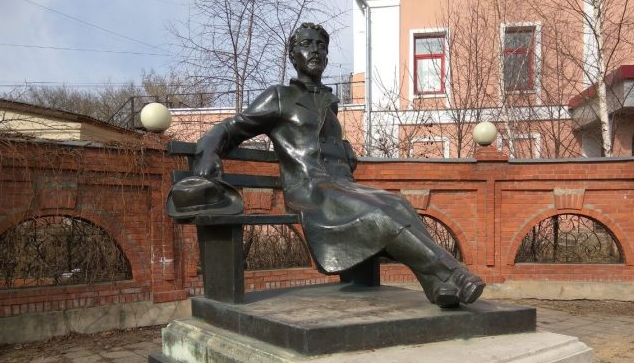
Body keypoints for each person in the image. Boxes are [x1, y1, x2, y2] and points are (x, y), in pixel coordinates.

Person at [193, 22, 484, 308]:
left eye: (321, 46)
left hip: (341, 186)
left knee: (397, 203)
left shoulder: (329, 103)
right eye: (306, 44)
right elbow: (231, 128)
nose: (315, 50)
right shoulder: (280, 97)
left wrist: (343, 147)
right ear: (292, 55)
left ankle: (435, 283)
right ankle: (452, 273)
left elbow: (322, 140)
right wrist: (208, 153)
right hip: (310, 191)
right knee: (379, 214)